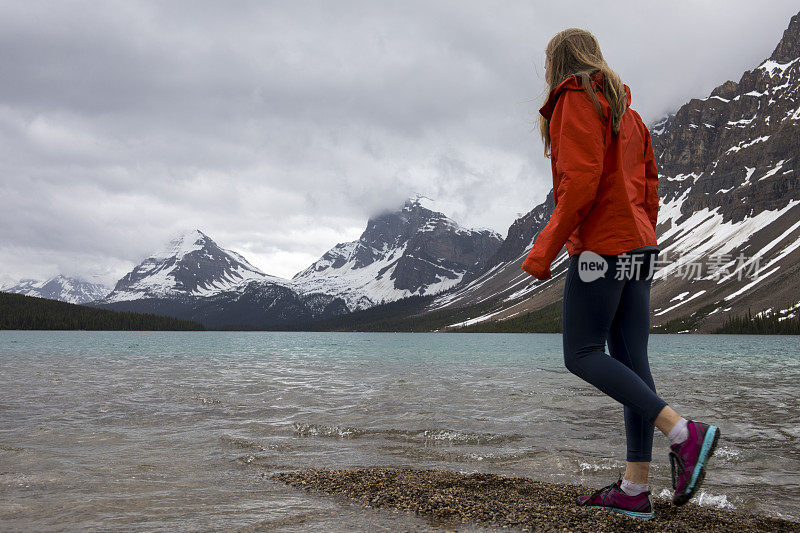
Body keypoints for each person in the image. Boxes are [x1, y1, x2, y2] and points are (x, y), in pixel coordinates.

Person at [521, 28, 720, 521]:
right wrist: (643, 236)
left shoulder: (575, 100)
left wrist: (544, 249)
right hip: (639, 245)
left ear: (558, 65)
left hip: (603, 248)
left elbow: (581, 182)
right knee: (632, 363)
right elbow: (651, 185)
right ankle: (635, 487)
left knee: (581, 352)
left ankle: (682, 432)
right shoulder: (629, 116)